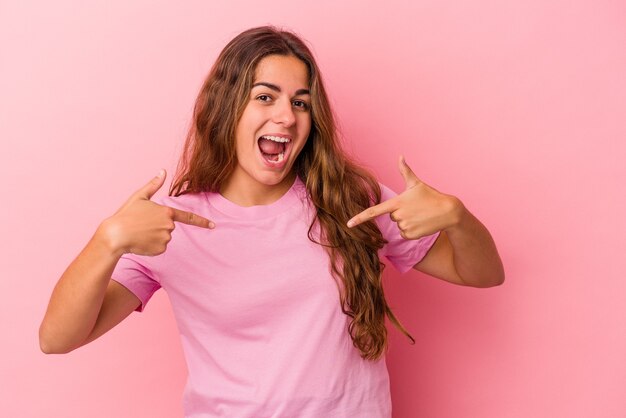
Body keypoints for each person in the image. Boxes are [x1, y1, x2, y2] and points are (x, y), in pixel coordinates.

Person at [39, 26, 504, 417]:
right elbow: (57, 340)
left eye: (301, 102)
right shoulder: (170, 221)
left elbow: (483, 274)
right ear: (228, 107)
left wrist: (458, 218)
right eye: (266, 97)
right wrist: (107, 242)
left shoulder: (351, 200)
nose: (286, 115)